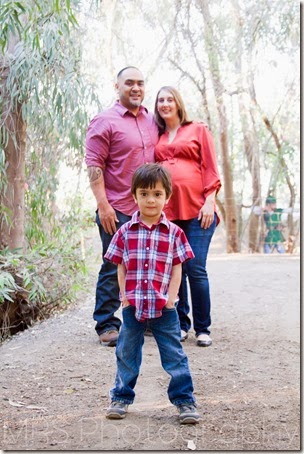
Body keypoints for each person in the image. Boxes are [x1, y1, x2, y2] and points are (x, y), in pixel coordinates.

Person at [104, 163, 200, 424]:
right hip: (133, 306)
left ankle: (184, 401)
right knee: (126, 352)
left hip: (164, 308)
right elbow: (120, 267)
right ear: (134, 196)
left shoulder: (175, 233)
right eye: (144, 193)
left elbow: (178, 268)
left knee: (174, 355)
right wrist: (124, 296)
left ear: (167, 197)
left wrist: (171, 297)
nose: (150, 199)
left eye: (157, 194)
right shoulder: (124, 232)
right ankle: (121, 398)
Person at [85, 66, 159, 347]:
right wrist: (103, 206)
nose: (136, 87)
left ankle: (146, 319)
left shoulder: (151, 121)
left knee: (148, 264)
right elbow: (94, 166)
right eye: (130, 83)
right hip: (116, 207)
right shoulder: (104, 121)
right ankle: (106, 324)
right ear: (117, 86)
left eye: (140, 83)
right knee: (113, 265)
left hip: (147, 208)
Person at [154, 86, 222, 347]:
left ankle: (203, 328)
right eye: (161, 100)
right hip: (169, 212)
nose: (165, 104)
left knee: (195, 267)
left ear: (178, 103)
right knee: (174, 268)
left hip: (198, 211)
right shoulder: (158, 135)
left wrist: (209, 200)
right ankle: (181, 324)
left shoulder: (197, 129)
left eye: (170, 99)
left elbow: (210, 167)